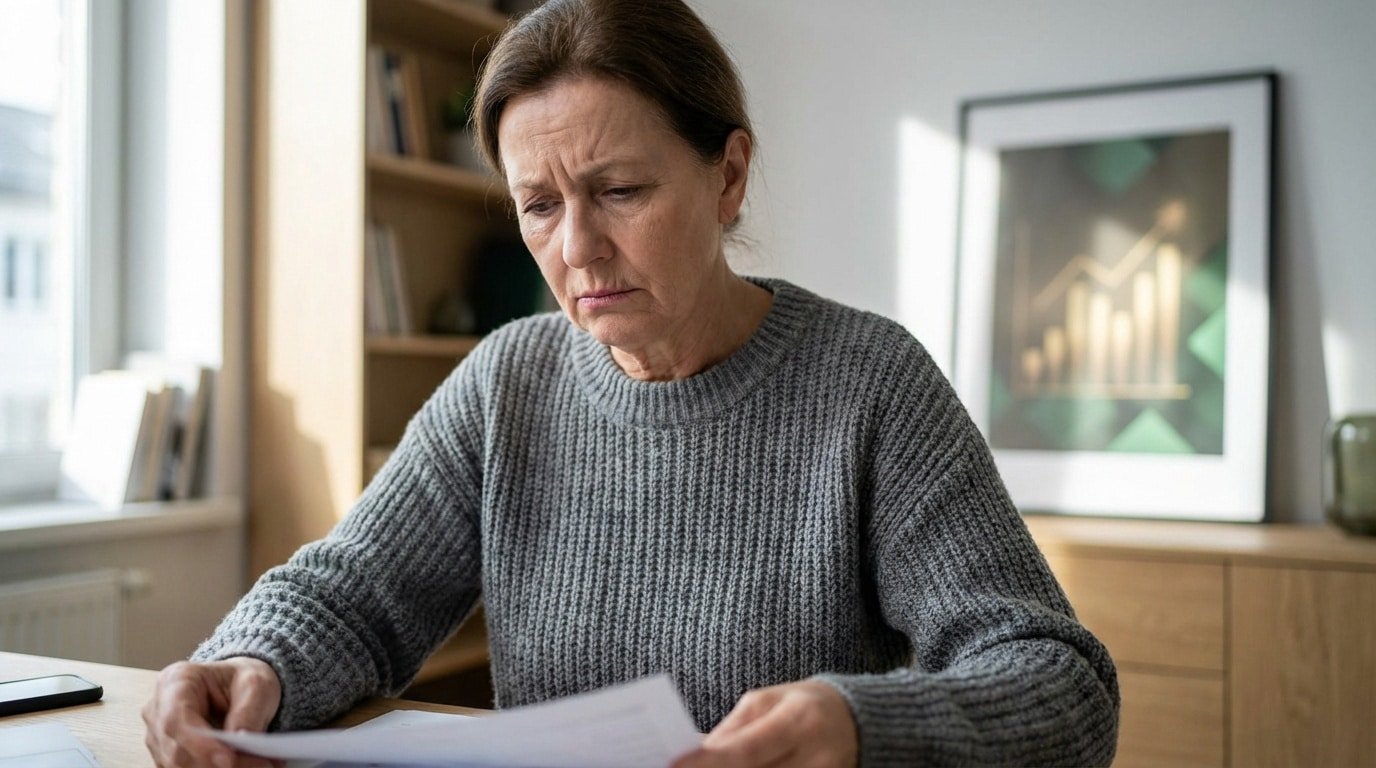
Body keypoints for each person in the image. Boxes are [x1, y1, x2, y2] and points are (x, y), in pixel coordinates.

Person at [143, 0, 1119, 765]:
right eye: (538, 205)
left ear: (727, 176)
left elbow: (1056, 684)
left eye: (618, 191)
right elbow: (356, 590)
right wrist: (248, 661)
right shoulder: (507, 379)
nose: (575, 249)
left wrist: (861, 726)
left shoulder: (868, 384)